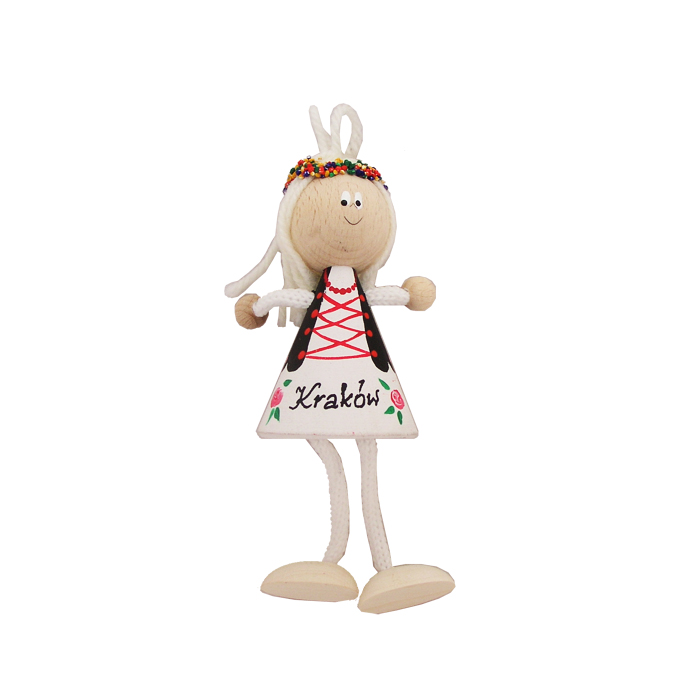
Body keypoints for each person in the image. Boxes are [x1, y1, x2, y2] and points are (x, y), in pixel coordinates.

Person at [225, 104, 454, 613]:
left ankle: (385, 566)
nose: (351, 211)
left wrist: (410, 294)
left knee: (368, 455)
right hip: (315, 385)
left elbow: (390, 296)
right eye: (341, 203)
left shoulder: (354, 291)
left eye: (359, 203)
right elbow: (287, 300)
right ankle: (332, 558)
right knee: (329, 452)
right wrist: (258, 306)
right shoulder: (322, 292)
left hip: (362, 384)